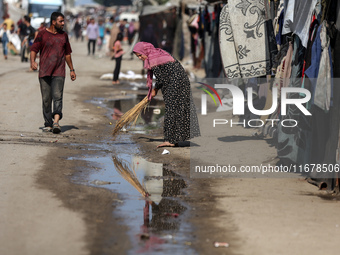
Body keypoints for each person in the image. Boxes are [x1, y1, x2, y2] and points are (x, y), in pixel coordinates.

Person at [133, 42, 201, 147]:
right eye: (138, 56)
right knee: (178, 108)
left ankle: (170, 140)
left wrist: (155, 89)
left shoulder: (153, 59)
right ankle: (175, 139)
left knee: (171, 109)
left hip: (175, 83)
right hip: (181, 80)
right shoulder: (159, 53)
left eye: (140, 55)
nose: (140, 58)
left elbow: (161, 78)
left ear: (145, 51)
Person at [30, 12, 76, 134]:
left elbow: (67, 54)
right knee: (46, 99)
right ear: (53, 22)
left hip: (59, 71)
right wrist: (32, 61)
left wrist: (72, 69)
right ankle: (48, 124)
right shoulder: (42, 34)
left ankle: (56, 122)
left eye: (63, 21)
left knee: (57, 97)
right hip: (44, 71)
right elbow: (34, 49)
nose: (63, 23)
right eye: (61, 21)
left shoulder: (64, 36)